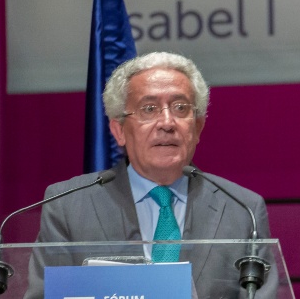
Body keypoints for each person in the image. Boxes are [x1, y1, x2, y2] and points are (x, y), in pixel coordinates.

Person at [25, 51, 275, 298]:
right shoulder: (68, 206)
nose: (167, 122)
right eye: (149, 109)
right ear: (119, 129)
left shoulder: (242, 210)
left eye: (180, 107)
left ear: (197, 127)